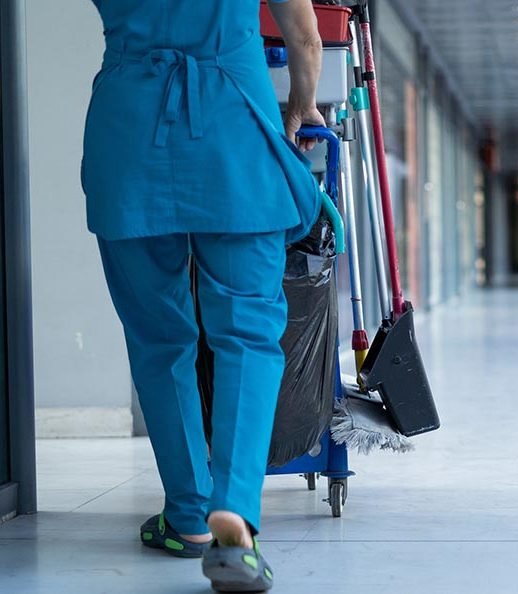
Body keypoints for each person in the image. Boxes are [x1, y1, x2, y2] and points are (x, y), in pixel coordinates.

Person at [82, 0, 326, 590]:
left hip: (128, 132)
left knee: (157, 337)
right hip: (233, 132)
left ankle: (188, 513)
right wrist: (301, 105)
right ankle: (233, 521)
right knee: (246, 333)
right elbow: (305, 35)